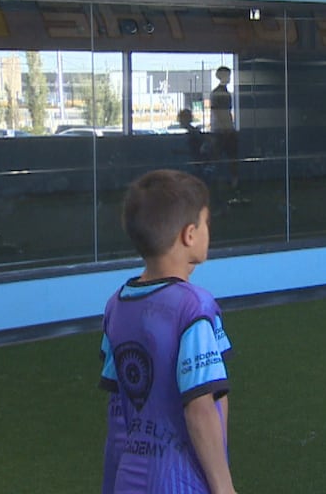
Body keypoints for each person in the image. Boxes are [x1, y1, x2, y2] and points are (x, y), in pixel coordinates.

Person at [99, 169, 236, 494]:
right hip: (182, 479)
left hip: (129, 477)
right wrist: (224, 487)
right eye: (206, 223)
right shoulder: (194, 307)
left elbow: (118, 408)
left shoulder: (115, 305)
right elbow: (201, 407)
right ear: (190, 234)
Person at [210, 66, 239, 189]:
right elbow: (217, 112)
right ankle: (218, 181)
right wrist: (225, 128)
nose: (229, 78)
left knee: (232, 157)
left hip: (226, 129)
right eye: (227, 75)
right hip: (221, 130)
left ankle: (232, 181)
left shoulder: (224, 92)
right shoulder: (217, 93)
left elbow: (226, 113)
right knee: (218, 158)